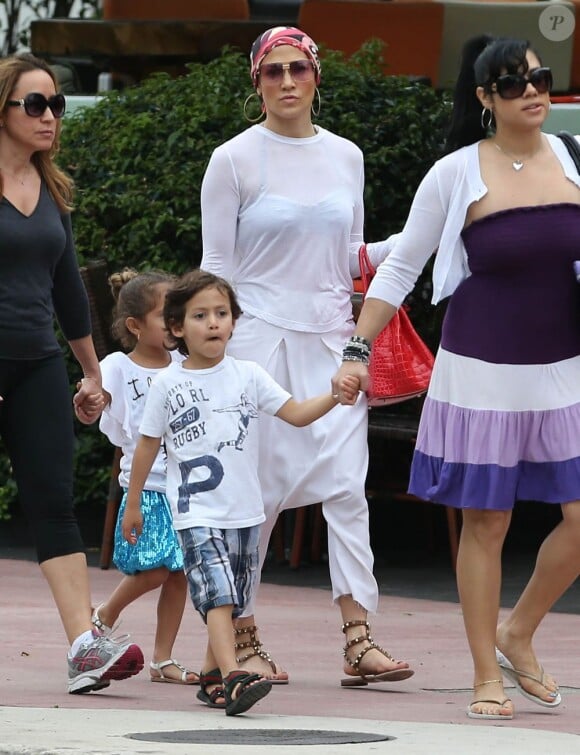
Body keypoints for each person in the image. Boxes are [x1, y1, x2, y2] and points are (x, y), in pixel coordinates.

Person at [333, 34, 580, 720]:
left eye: (539, 79)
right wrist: (358, 348)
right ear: (483, 99)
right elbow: (402, 265)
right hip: (480, 369)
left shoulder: (574, 156)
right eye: (512, 84)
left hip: (566, 367)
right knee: (488, 520)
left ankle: (519, 631)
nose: (531, 92)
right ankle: (484, 673)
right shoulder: (455, 172)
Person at [200, 25, 413, 687]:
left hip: (333, 346)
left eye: (298, 69)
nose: (287, 82)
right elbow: (215, 268)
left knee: (348, 486)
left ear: (317, 77)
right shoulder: (232, 159)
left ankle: (359, 635)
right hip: (259, 345)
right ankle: (242, 634)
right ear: (257, 82)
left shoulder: (346, 156)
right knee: (257, 496)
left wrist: (420, 236)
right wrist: (211, 354)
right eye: (273, 71)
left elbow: (351, 258)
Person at [124, 269, 360, 715]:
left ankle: (211, 676)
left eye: (221, 313)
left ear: (234, 321)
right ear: (177, 328)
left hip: (245, 513)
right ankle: (234, 675)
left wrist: (334, 396)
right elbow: (147, 445)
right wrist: (133, 502)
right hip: (196, 514)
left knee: (232, 599)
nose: (214, 323)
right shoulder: (168, 384)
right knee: (219, 594)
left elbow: (295, 413)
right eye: (200, 315)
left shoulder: (249, 375)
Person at [0, 52, 143, 693]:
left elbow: (67, 293)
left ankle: (83, 648)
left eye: (56, 104)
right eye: (35, 104)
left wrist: (91, 374)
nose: (50, 116)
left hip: (36, 364)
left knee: (55, 503)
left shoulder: (53, 191)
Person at [91, 269, 199, 685]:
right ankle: (105, 613)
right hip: (148, 485)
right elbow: (97, 395)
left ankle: (163, 659)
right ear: (135, 326)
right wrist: (90, 396)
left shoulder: (184, 365)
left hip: (185, 486)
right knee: (154, 569)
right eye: (164, 316)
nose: (175, 324)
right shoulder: (119, 366)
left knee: (179, 574)